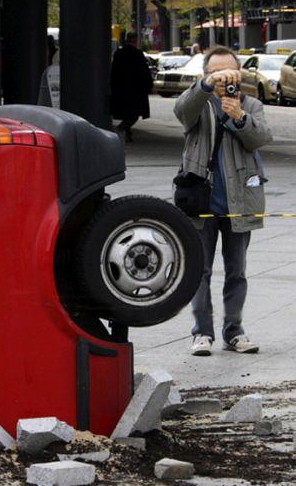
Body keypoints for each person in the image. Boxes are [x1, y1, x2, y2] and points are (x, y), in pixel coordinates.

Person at [174, 45, 272, 357]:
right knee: (199, 272)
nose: (224, 78)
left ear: (240, 73)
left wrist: (240, 117)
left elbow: (261, 138)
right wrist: (205, 87)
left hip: (240, 201)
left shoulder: (252, 104)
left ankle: (234, 331)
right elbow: (182, 111)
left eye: (229, 71)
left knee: (237, 272)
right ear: (205, 75)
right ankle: (202, 333)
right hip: (200, 202)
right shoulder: (197, 105)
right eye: (216, 73)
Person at [110, 31, 153, 142]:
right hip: (135, 89)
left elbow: (113, 71)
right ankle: (122, 129)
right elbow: (144, 72)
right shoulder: (137, 54)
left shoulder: (119, 53)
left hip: (120, 88)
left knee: (126, 112)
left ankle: (126, 131)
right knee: (134, 113)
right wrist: (149, 85)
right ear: (135, 40)